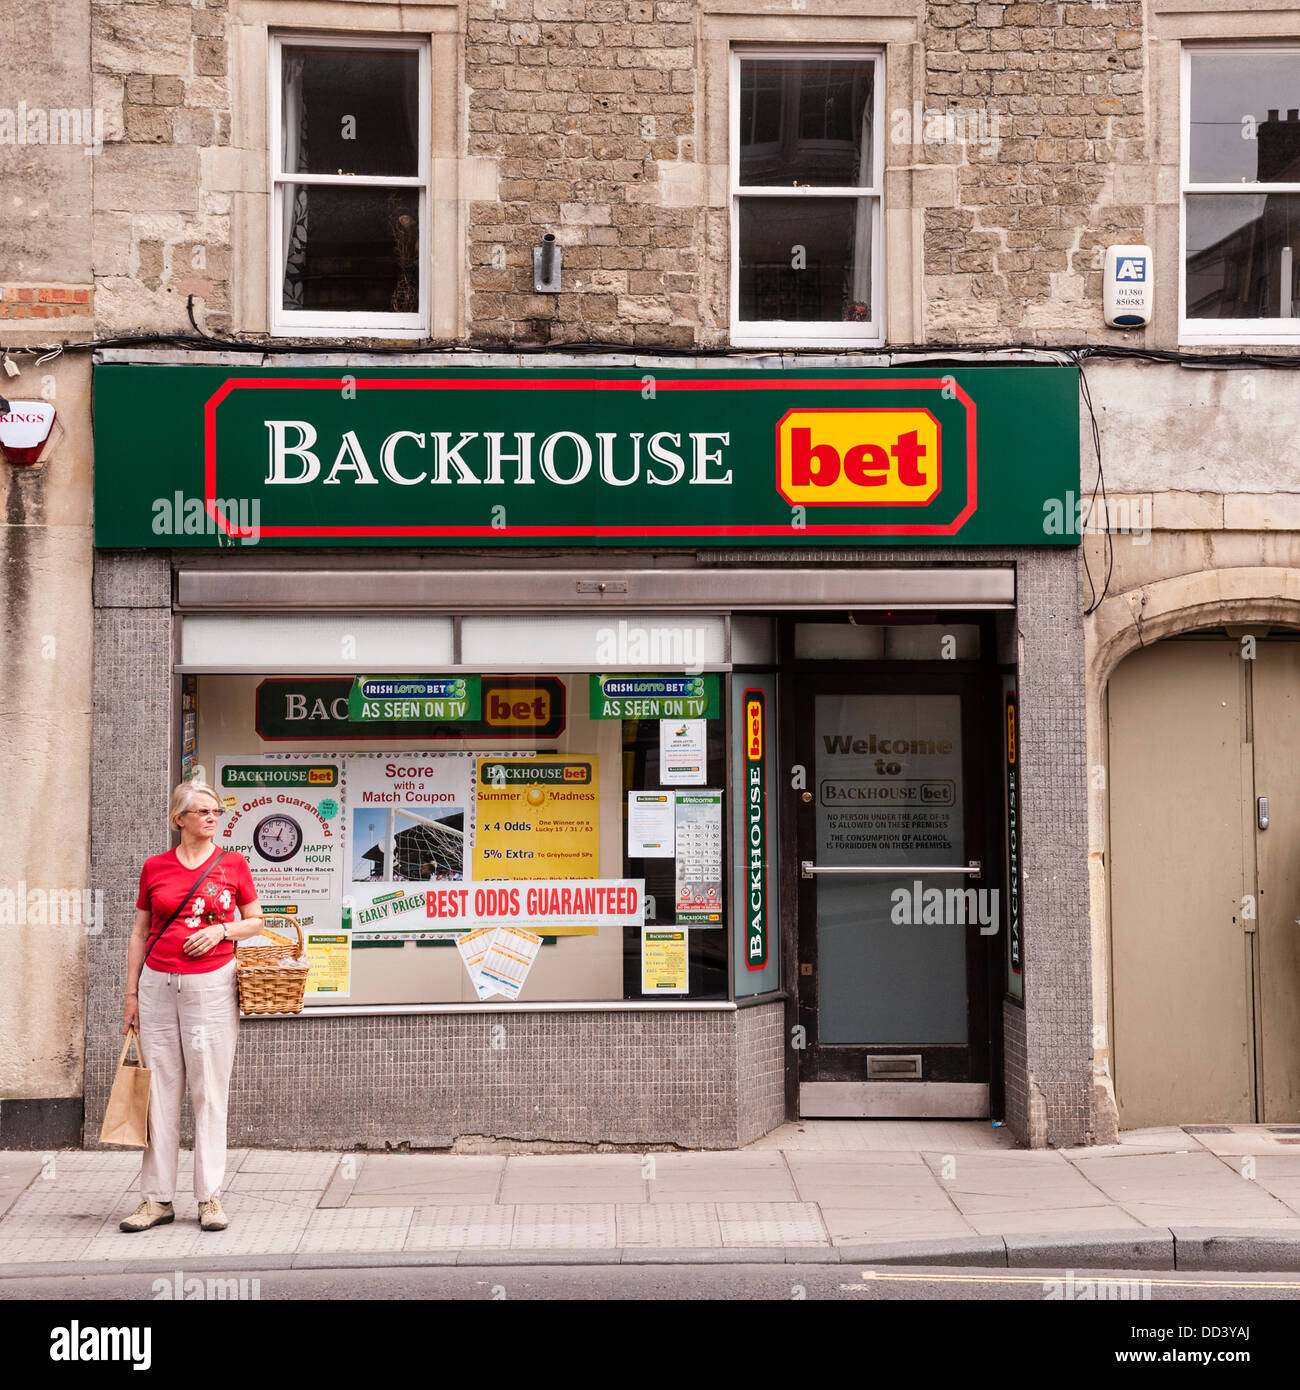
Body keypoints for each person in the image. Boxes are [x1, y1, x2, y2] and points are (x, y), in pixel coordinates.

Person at [119, 782, 263, 1233]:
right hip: (158, 985)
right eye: (201, 811)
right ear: (179, 818)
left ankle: (209, 1196)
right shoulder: (155, 867)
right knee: (158, 1091)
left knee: (208, 1089)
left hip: (212, 986)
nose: (211, 817)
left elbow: (256, 921)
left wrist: (222, 933)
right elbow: (140, 932)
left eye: (215, 811)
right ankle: (157, 1198)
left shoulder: (233, 864)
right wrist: (130, 995)